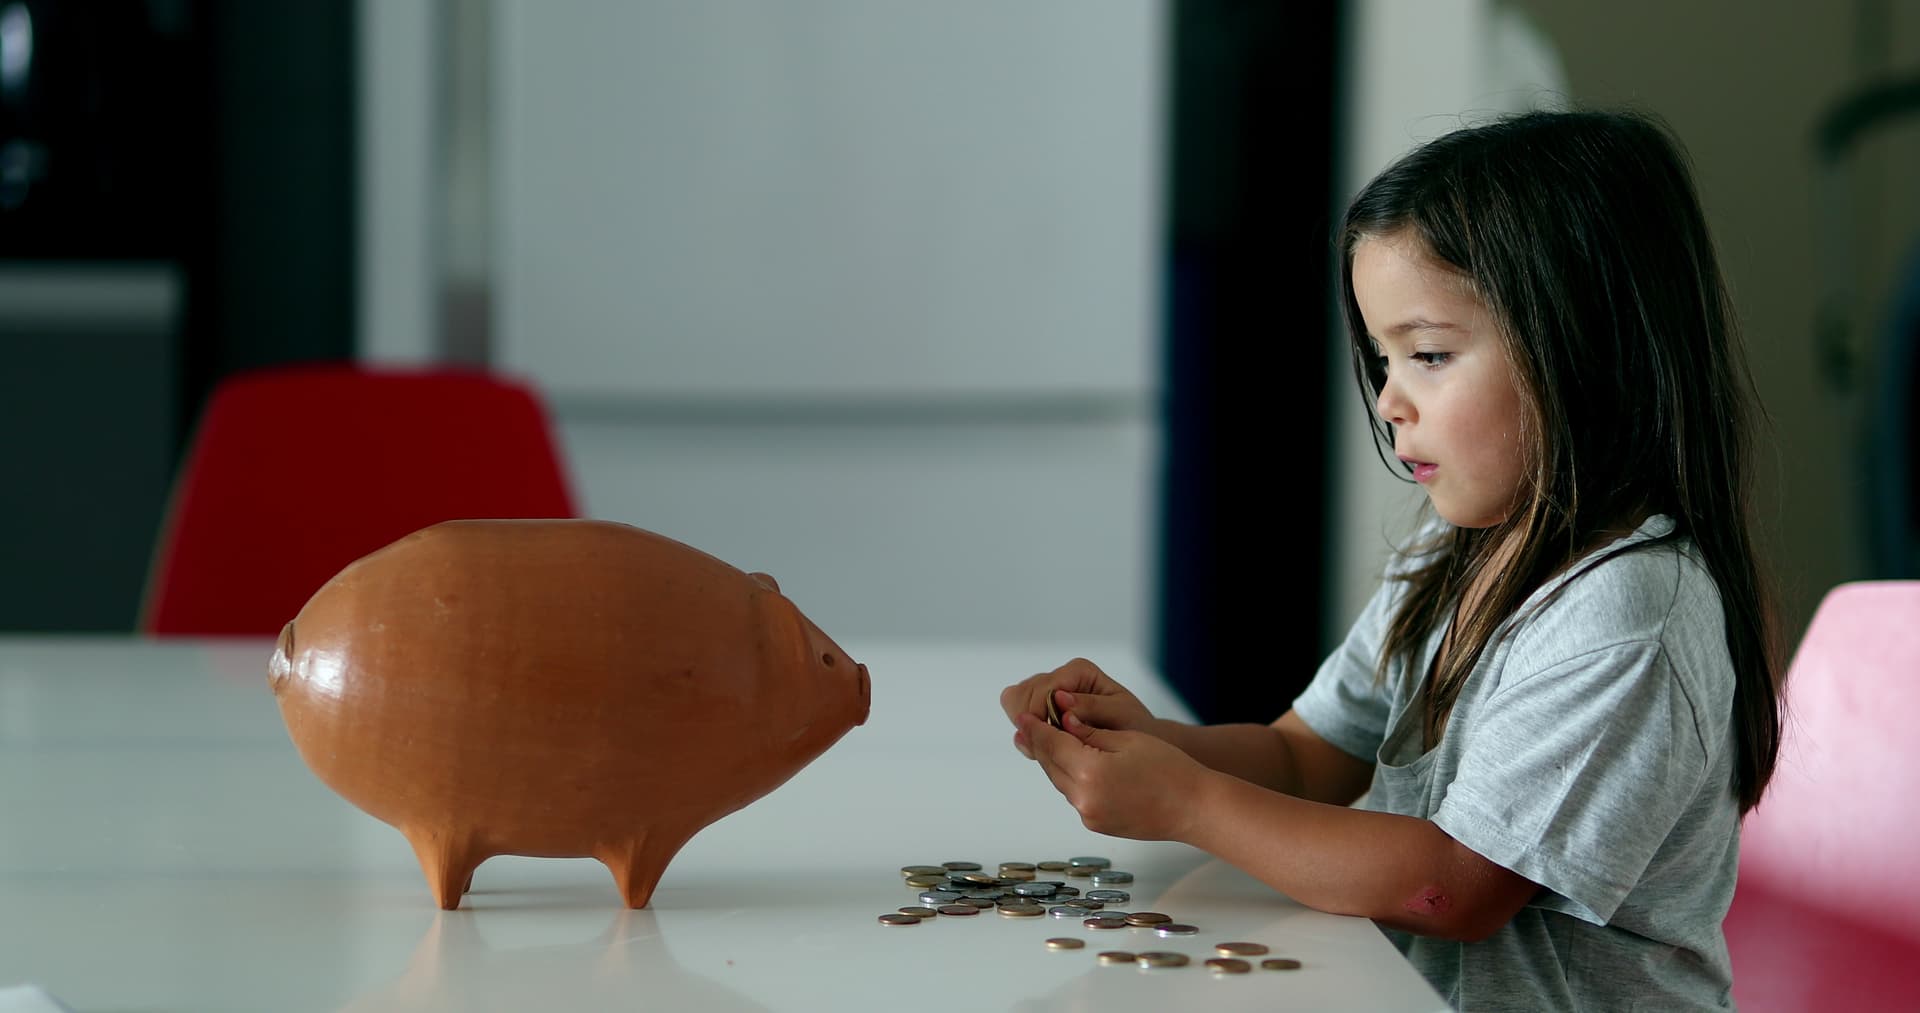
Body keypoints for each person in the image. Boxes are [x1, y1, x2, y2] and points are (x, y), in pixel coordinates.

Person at [1002, 107, 1784, 1011]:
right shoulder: (1454, 550)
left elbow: (1453, 887)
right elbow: (1306, 760)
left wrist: (1186, 804)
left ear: (1585, 349)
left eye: (1431, 354)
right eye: (1383, 360)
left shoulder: (1628, 615)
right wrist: (1150, 744)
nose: (1389, 401)